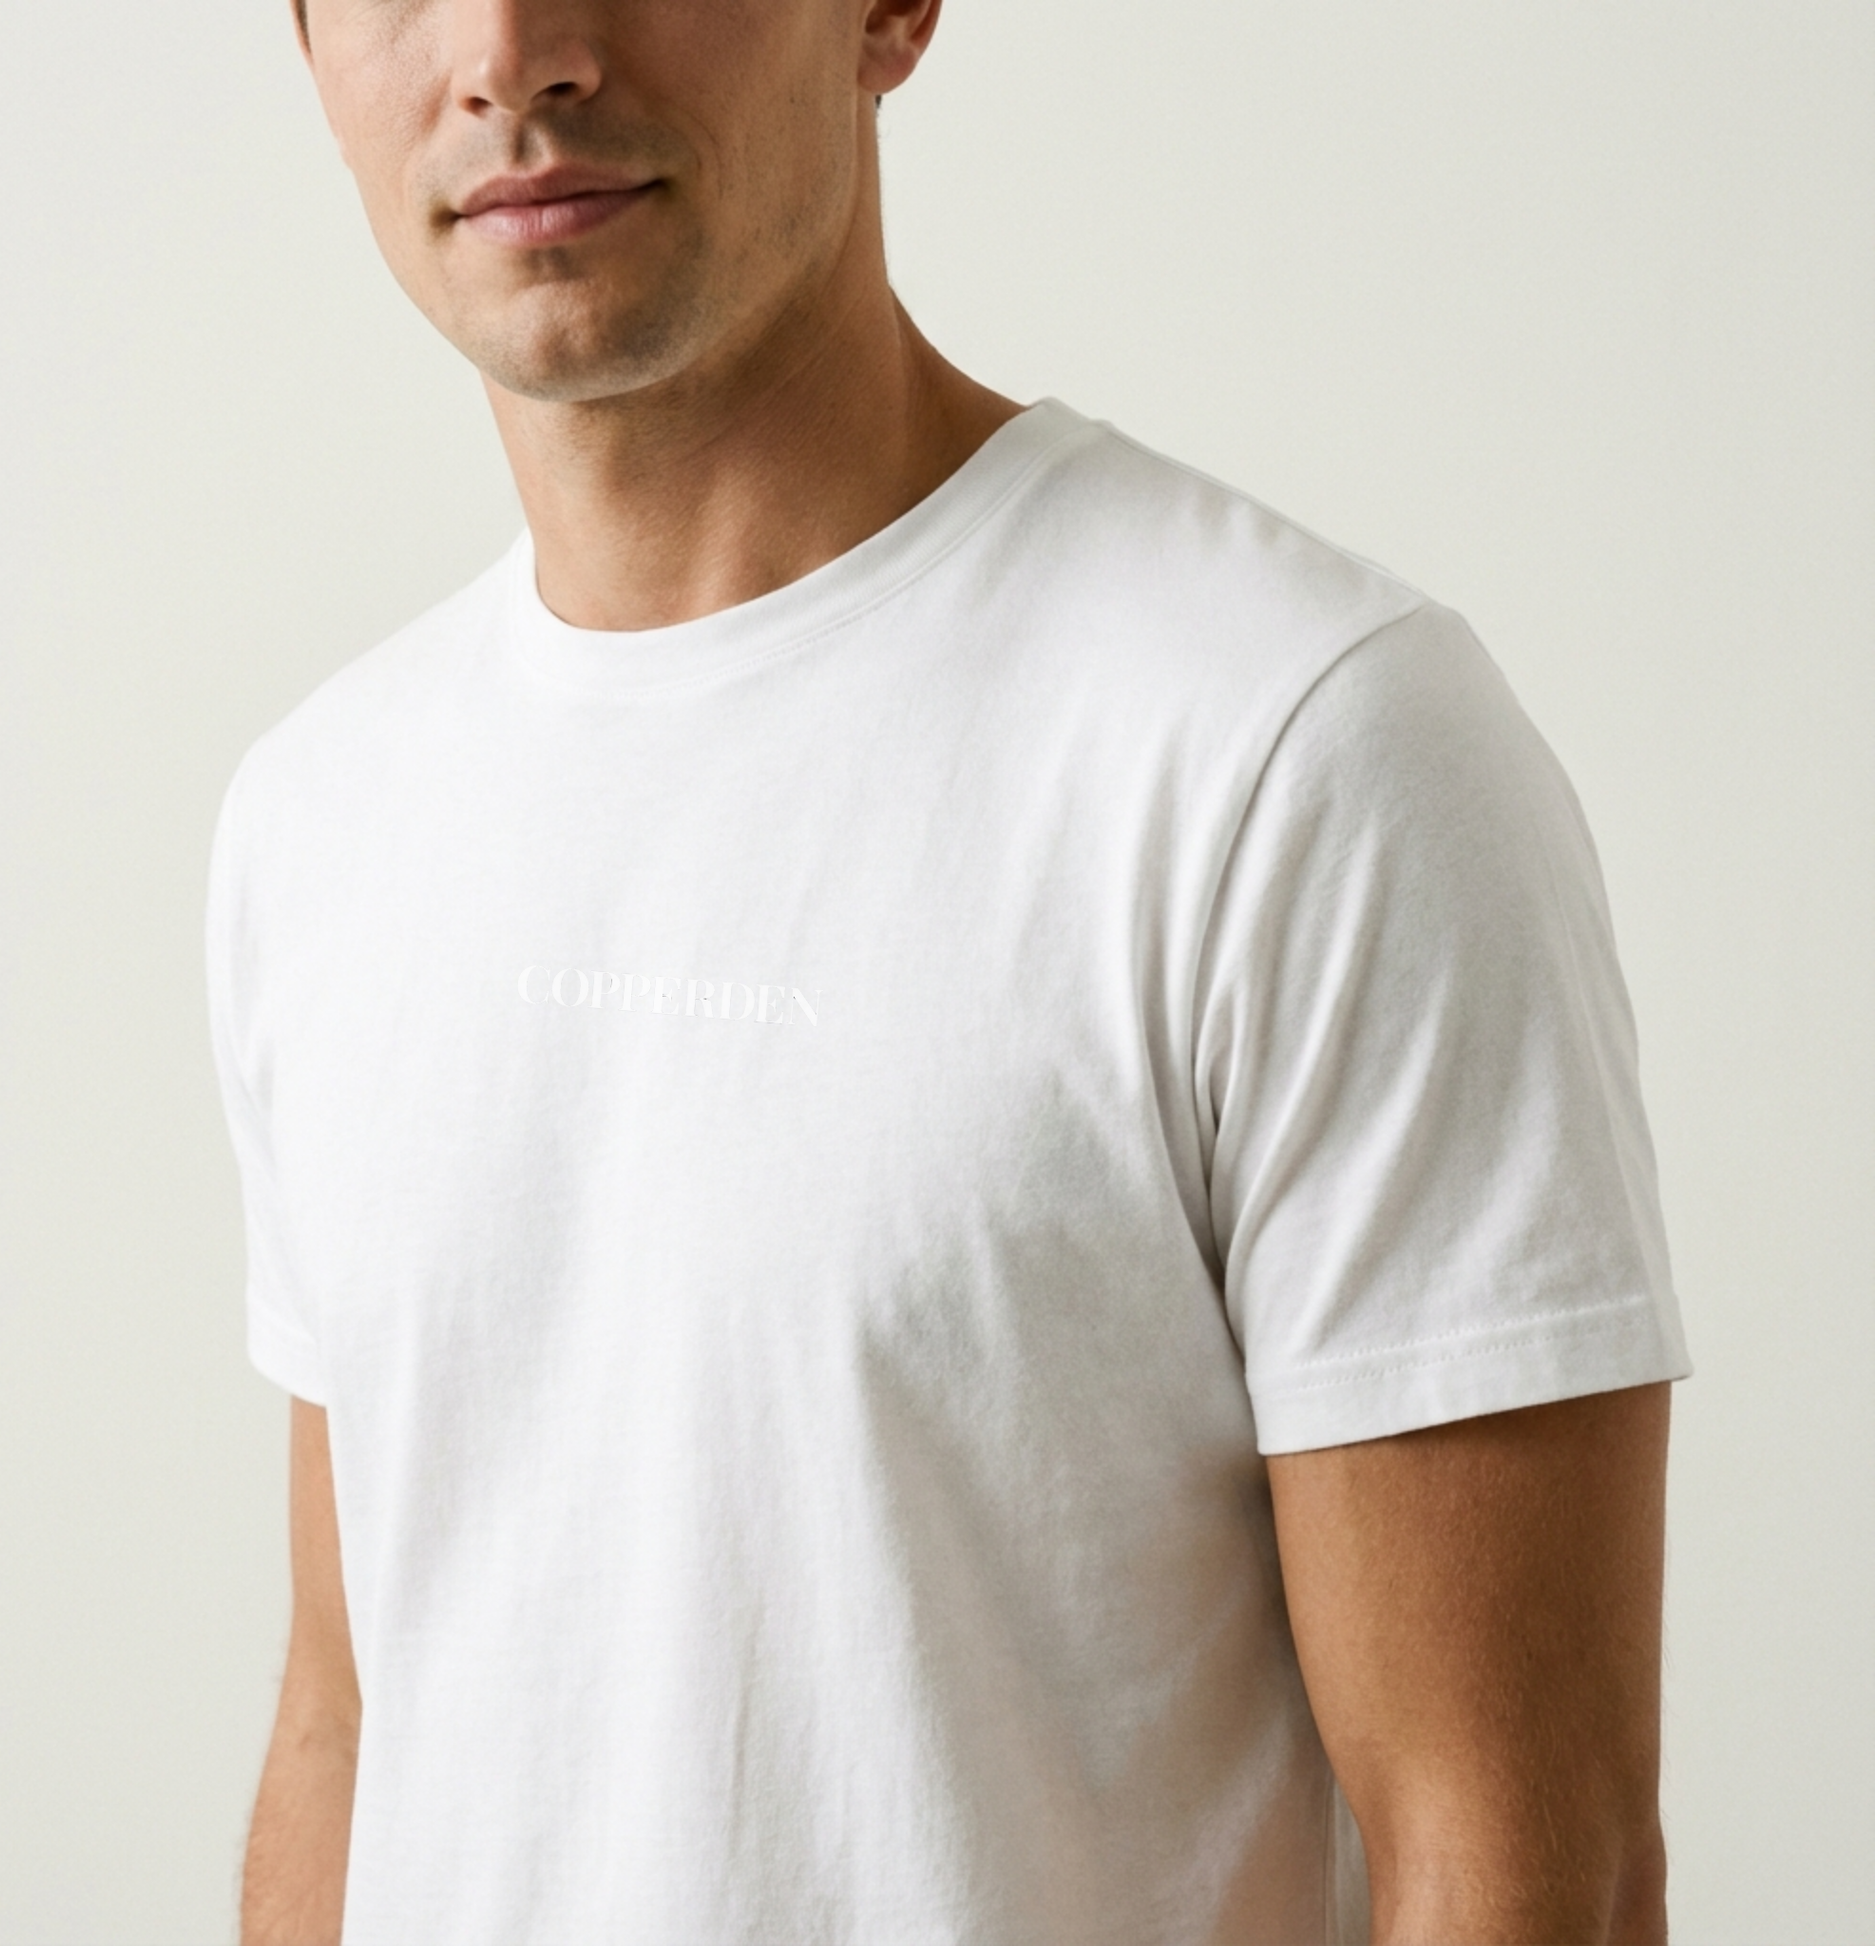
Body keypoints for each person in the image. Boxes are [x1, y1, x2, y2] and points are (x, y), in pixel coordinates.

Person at [209, 0, 1691, 1940]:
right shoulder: (321, 816)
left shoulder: (1291, 751)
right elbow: (348, 1720)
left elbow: (1518, 1856)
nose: (515, 51)